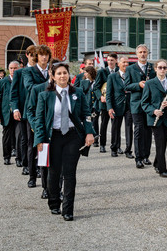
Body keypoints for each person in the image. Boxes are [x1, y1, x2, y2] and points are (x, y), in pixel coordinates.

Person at [34, 62, 95, 221]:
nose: (62, 76)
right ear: (53, 77)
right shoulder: (45, 95)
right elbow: (39, 120)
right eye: (59, 73)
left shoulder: (78, 93)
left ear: (69, 75)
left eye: (65, 73)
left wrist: (89, 132)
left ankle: (68, 209)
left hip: (72, 137)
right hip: (53, 137)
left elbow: (86, 114)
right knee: (53, 173)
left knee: (69, 173)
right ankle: (54, 202)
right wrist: (39, 140)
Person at [21, 45, 51, 189]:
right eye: (41, 55)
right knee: (33, 145)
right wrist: (49, 83)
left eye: (46, 55)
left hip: (49, 112)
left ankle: (45, 175)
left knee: (46, 147)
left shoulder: (52, 70)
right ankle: (32, 176)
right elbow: (30, 87)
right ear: (36, 57)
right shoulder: (28, 71)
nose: (44, 57)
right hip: (33, 113)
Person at [142, 59, 167, 177]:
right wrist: (154, 111)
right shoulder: (150, 83)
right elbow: (144, 103)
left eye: (165, 68)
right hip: (156, 119)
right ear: (155, 69)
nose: (162, 70)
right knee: (160, 143)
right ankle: (162, 168)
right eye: (160, 67)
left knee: (163, 143)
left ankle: (156, 162)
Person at [126, 45, 155, 167]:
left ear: (148, 53)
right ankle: (138, 157)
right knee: (138, 130)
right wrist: (138, 84)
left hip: (149, 103)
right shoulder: (130, 69)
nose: (143, 54)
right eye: (140, 52)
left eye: (145, 52)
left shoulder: (152, 68)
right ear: (136, 54)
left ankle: (146, 156)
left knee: (148, 130)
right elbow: (126, 86)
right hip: (137, 104)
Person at [92, 53, 120, 155]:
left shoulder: (119, 71)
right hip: (104, 103)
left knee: (116, 125)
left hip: (117, 102)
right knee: (104, 124)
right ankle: (102, 144)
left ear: (116, 61)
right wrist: (100, 97)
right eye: (108, 60)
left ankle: (117, 145)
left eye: (112, 60)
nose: (110, 62)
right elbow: (96, 87)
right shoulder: (102, 72)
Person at [106, 56, 132, 157]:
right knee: (115, 127)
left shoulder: (131, 75)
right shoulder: (112, 77)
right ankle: (114, 148)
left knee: (129, 128)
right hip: (117, 106)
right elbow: (108, 94)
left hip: (129, 105)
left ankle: (128, 150)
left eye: (127, 62)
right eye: (123, 62)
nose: (126, 64)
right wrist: (109, 107)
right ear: (118, 64)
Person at [0, 62, 19, 165]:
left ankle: (19, 158)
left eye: (15, 68)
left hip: (18, 113)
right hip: (6, 113)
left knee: (20, 136)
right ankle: (6, 156)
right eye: (11, 68)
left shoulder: (21, 81)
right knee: (7, 136)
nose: (13, 70)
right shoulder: (3, 82)